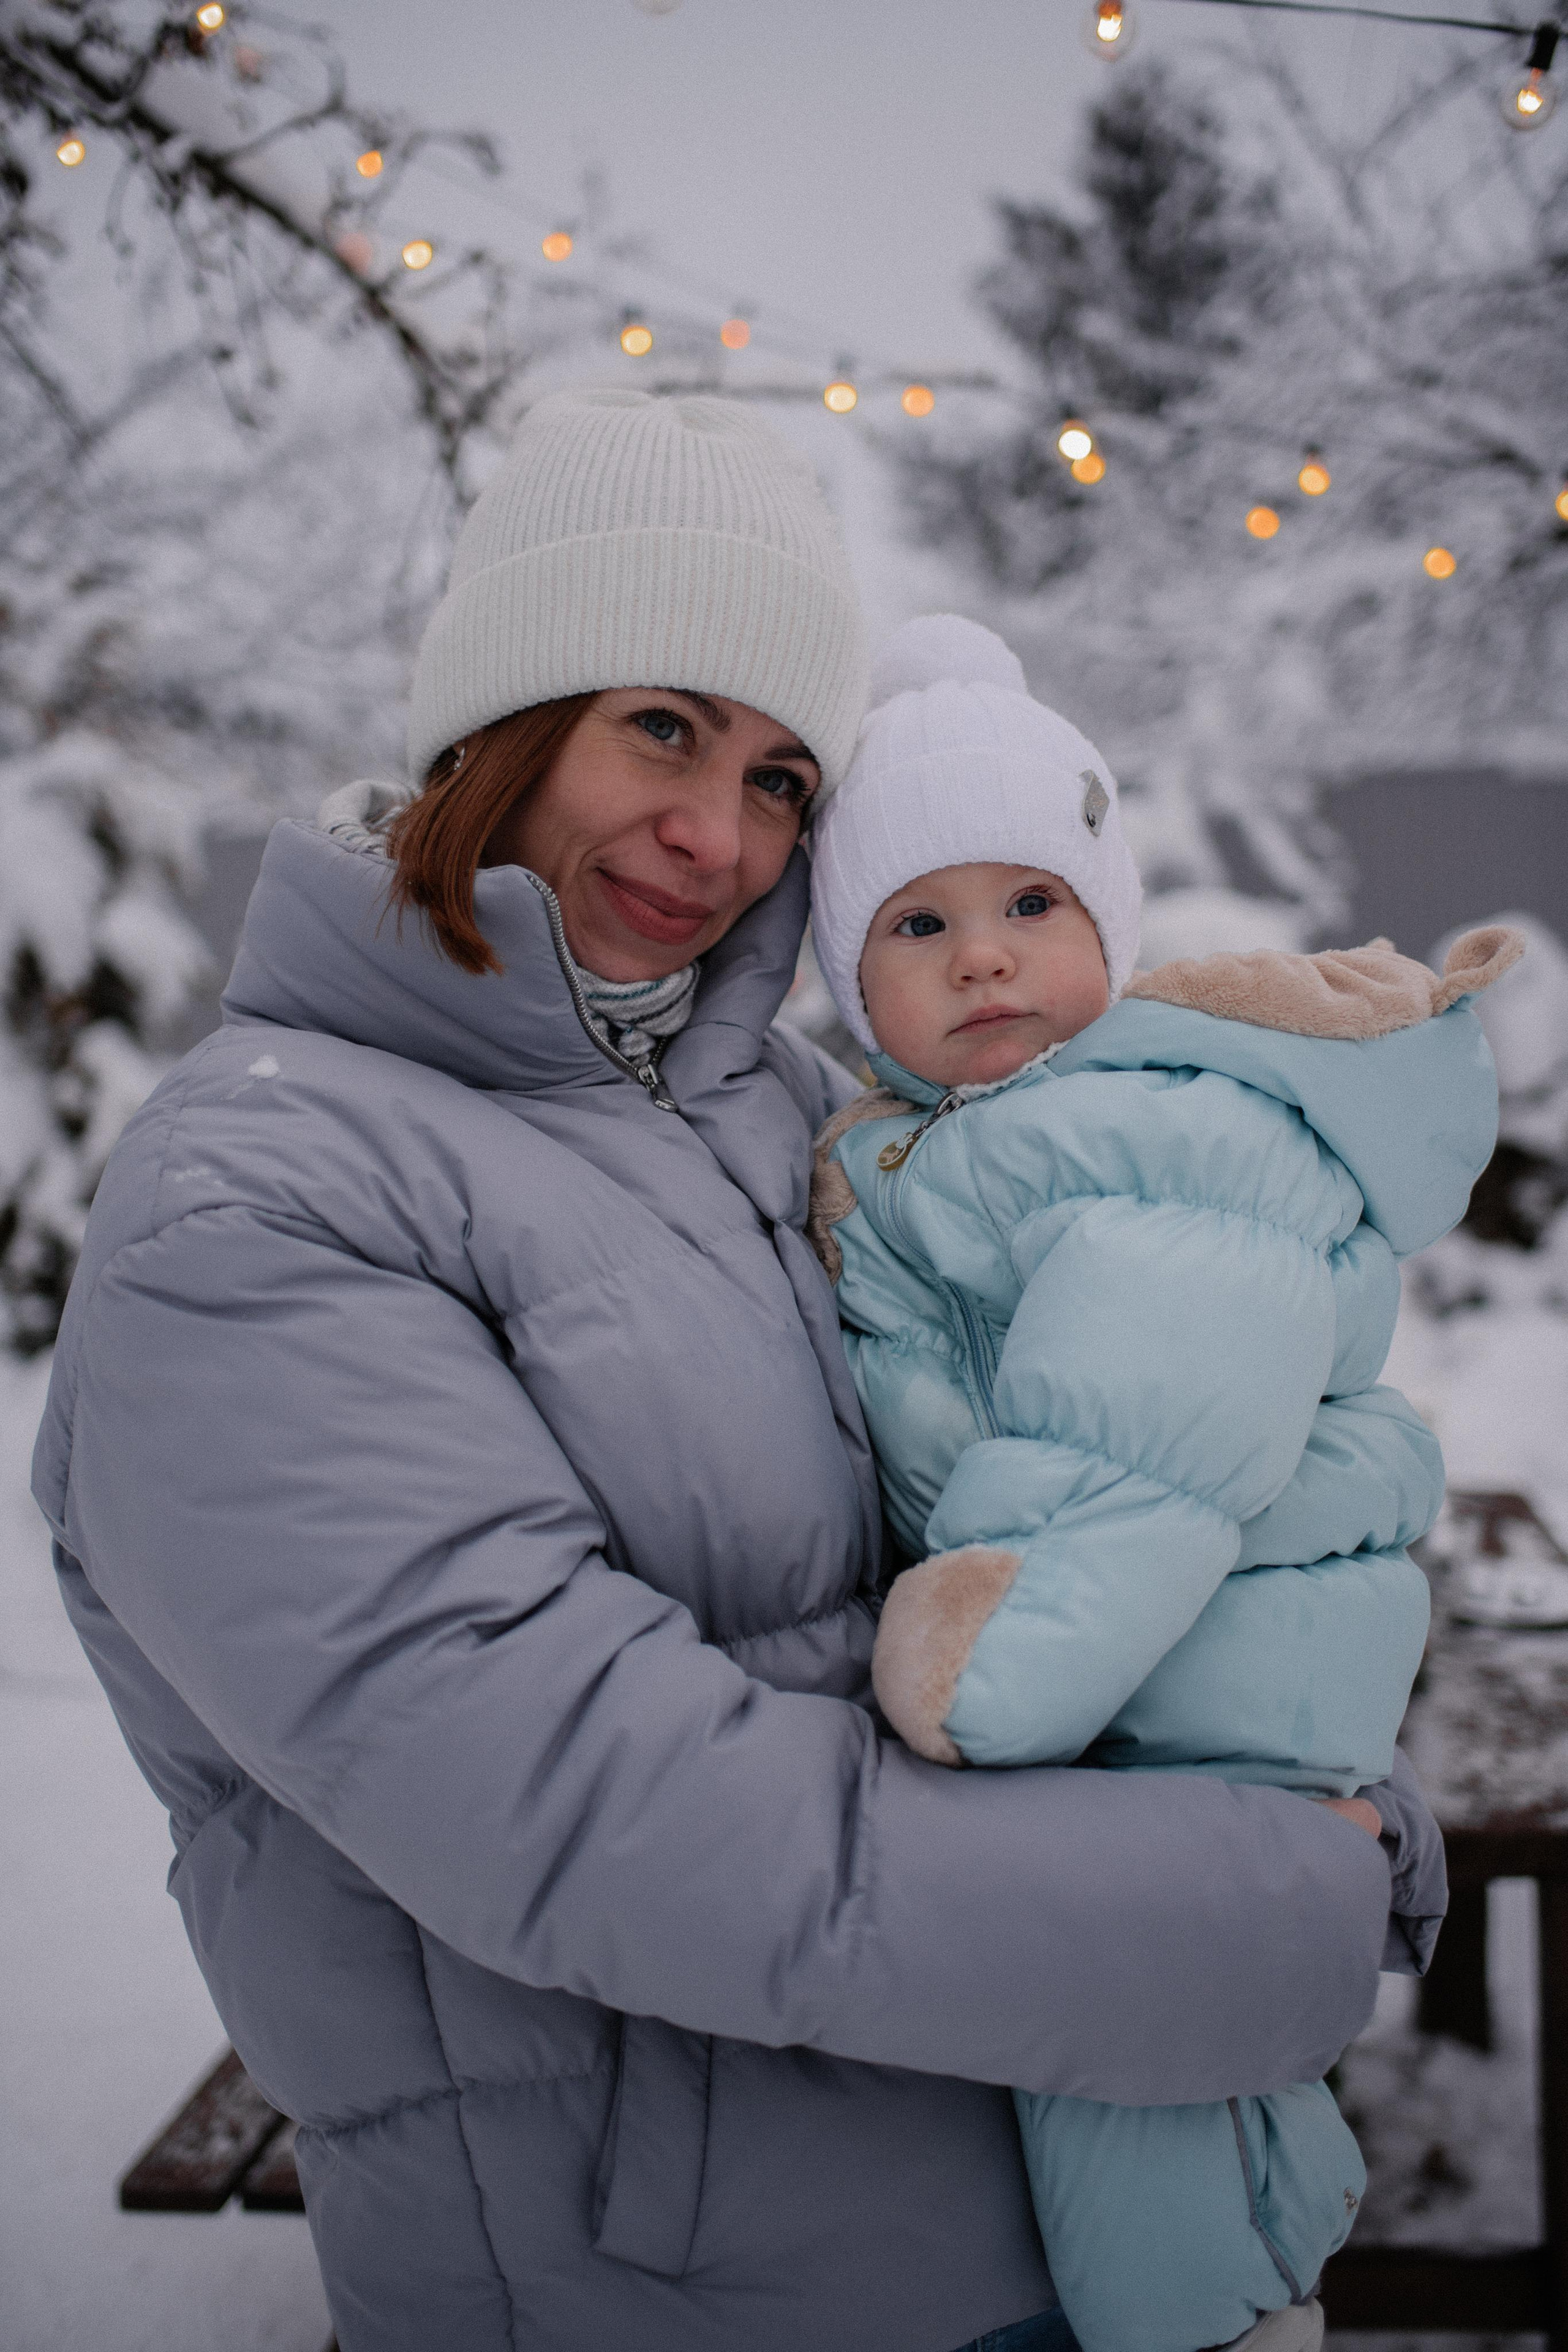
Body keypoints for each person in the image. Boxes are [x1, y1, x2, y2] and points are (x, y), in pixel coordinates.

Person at [34, 394, 1441, 2352]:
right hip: (651, 2299)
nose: (720, 837)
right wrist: (1259, 1900)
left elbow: (1004, 1516)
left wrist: (1276, 1748)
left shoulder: (771, 1108)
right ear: (502, 722)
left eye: (786, 775)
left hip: (1028, 2202)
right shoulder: (254, 1201)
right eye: (664, 729)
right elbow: (605, 1815)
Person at [806, 614, 1518, 2352]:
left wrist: (1009, 1656)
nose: (984, 959)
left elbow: (1146, 1427)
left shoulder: (1151, 1123)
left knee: (1126, 2081)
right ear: (849, 979)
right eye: (920, 923)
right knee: (1158, 2062)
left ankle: (1214, 2324)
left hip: (1162, 1651)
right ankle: (1243, 2291)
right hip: (1143, 1655)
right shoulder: (951, 1145)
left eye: (1031, 905)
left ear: (1109, 925)